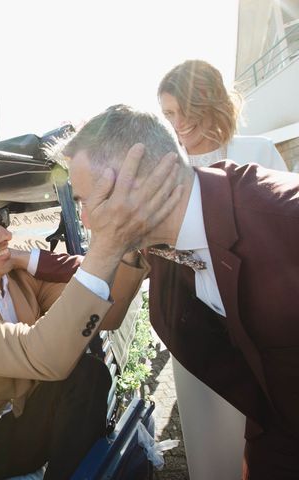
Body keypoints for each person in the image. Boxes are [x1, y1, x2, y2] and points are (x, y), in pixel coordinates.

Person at [49, 104, 299, 479]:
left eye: (86, 200)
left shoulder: (286, 221)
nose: (83, 219)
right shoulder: (159, 244)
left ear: (135, 181)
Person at [0, 149, 182, 480]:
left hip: (24, 420)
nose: (5, 235)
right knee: (76, 371)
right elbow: (40, 354)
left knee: (89, 374)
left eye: (2, 219)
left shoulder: (16, 278)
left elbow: (103, 315)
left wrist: (128, 251)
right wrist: (106, 245)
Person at [158, 58, 291, 479]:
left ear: (204, 103)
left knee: (272, 419)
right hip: (198, 321)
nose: (174, 125)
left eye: (177, 111)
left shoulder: (260, 151)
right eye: (166, 116)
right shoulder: (167, 172)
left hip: (260, 314)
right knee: (210, 438)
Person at [158, 59, 287, 171]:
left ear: (212, 102)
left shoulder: (260, 151)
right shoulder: (162, 169)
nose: (178, 123)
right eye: (169, 113)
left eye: (187, 109)